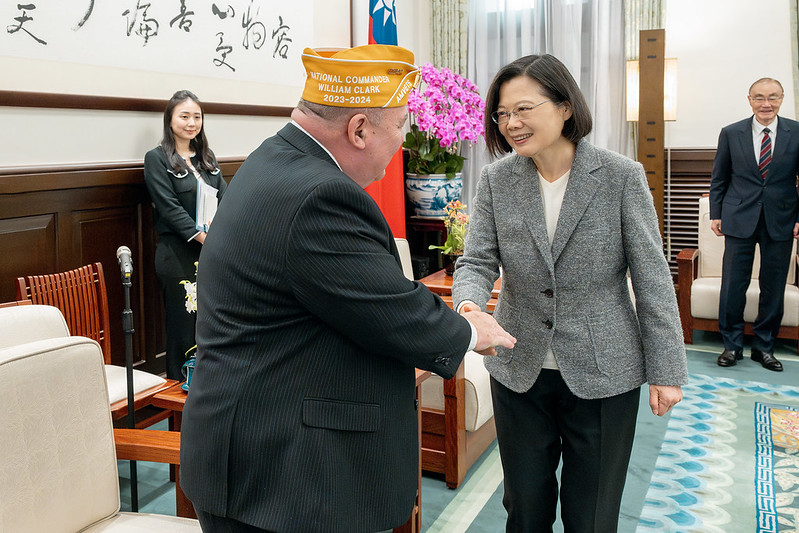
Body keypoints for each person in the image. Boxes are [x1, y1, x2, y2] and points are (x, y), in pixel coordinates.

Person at [179, 45, 516, 533]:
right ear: (359, 129)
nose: (402, 142)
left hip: (252, 449)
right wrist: (468, 330)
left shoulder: (273, 159)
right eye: (399, 126)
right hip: (282, 473)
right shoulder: (319, 194)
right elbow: (385, 307)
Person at [451, 54, 688, 532]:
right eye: (501, 114)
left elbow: (652, 276)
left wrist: (666, 369)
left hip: (605, 371)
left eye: (523, 109)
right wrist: (469, 305)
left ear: (564, 107)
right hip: (519, 368)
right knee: (525, 508)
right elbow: (477, 260)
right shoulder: (498, 179)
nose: (511, 124)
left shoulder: (620, 176)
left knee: (593, 514)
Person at [710, 78, 799, 372]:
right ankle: (732, 345)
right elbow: (720, 177)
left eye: (773, 97)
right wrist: (716, 213)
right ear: (749, 99)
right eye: (759, 97)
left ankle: (764, 347)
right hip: (738, 218)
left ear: (782, 99)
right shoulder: (731, 132)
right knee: (733, 286)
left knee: (773, 288)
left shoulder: (796, 132)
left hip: (782, 220)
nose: (766, 104)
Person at [143, 90, 227, 380]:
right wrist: (202, 237)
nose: (191, 123)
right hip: (178, 253)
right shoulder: (157, 158)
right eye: (184, 116)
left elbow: (224, 199)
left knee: (209, 323)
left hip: (211, 253)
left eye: (197, 116)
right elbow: (169, 208)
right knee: (183, 326)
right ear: (170, 120)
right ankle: (180, 390)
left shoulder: (206, 157)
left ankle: (206, 386)